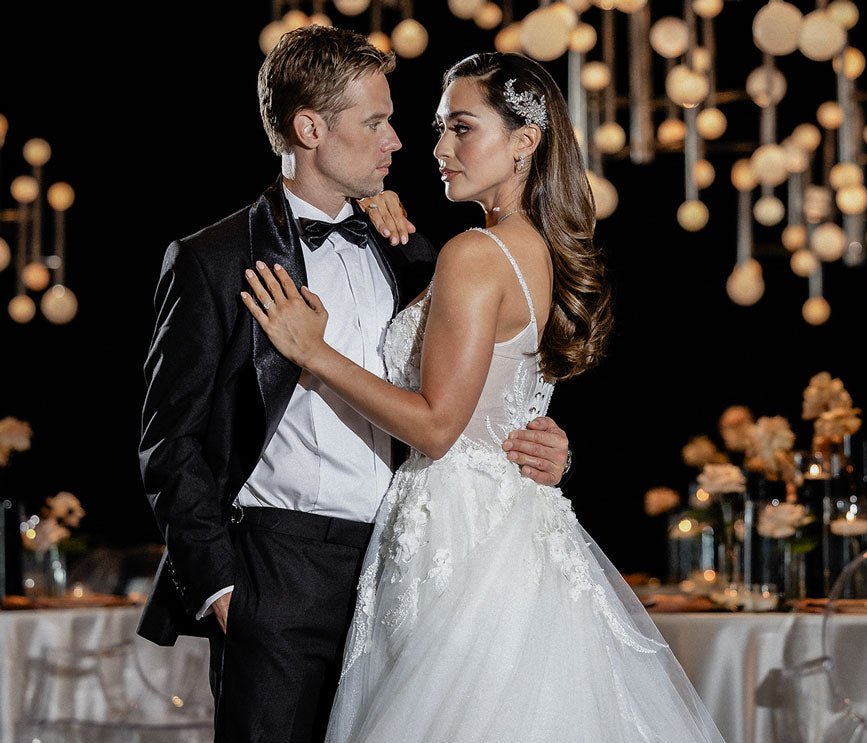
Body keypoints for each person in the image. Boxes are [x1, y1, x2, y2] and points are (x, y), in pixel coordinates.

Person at [241, 51, 726, 742]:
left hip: (457, 529)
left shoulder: (476, 254)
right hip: (507, 522)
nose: (439, 148)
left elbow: (438, 427)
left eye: (462, 128)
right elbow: (504, 405)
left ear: (525, 140)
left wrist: (314, 353)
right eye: (440, 128)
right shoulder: (532, 249)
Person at [138, 27, 572, 742]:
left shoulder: (411, 250)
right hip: (276, 571)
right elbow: (169, 443)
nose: (398, 141)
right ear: (311, 129)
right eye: (375, 122)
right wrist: (223, 590)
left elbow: (476, 383)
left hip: (407, 566)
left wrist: (544, 444)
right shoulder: (213, 258)